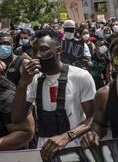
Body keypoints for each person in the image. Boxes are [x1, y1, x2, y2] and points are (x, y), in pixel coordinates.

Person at [11, 29, 96, 160]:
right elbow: (16, 118)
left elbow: (93, 118)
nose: (38, 55)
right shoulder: (34, 79)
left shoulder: (81, 76)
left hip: (76, 151)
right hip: (45, 152)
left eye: (44, 49)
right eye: (34, 51)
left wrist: (66, 136)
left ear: (58, 50)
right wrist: (22, 83)